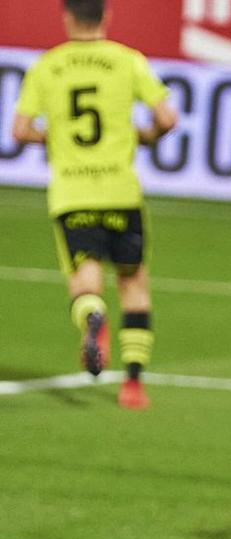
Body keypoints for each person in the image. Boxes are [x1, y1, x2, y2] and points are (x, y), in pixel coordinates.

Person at [11, 0, 177, 410]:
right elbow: (168, 118)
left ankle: (91, 318)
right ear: (106, 16)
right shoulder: (127, 61)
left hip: (72, 195)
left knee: (85, 281)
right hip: (121, 192)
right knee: (133, 283)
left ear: (67, 16)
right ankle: (133, 385)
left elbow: (19, 129)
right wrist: (146, 135)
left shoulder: (47, 66)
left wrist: (55, 138)